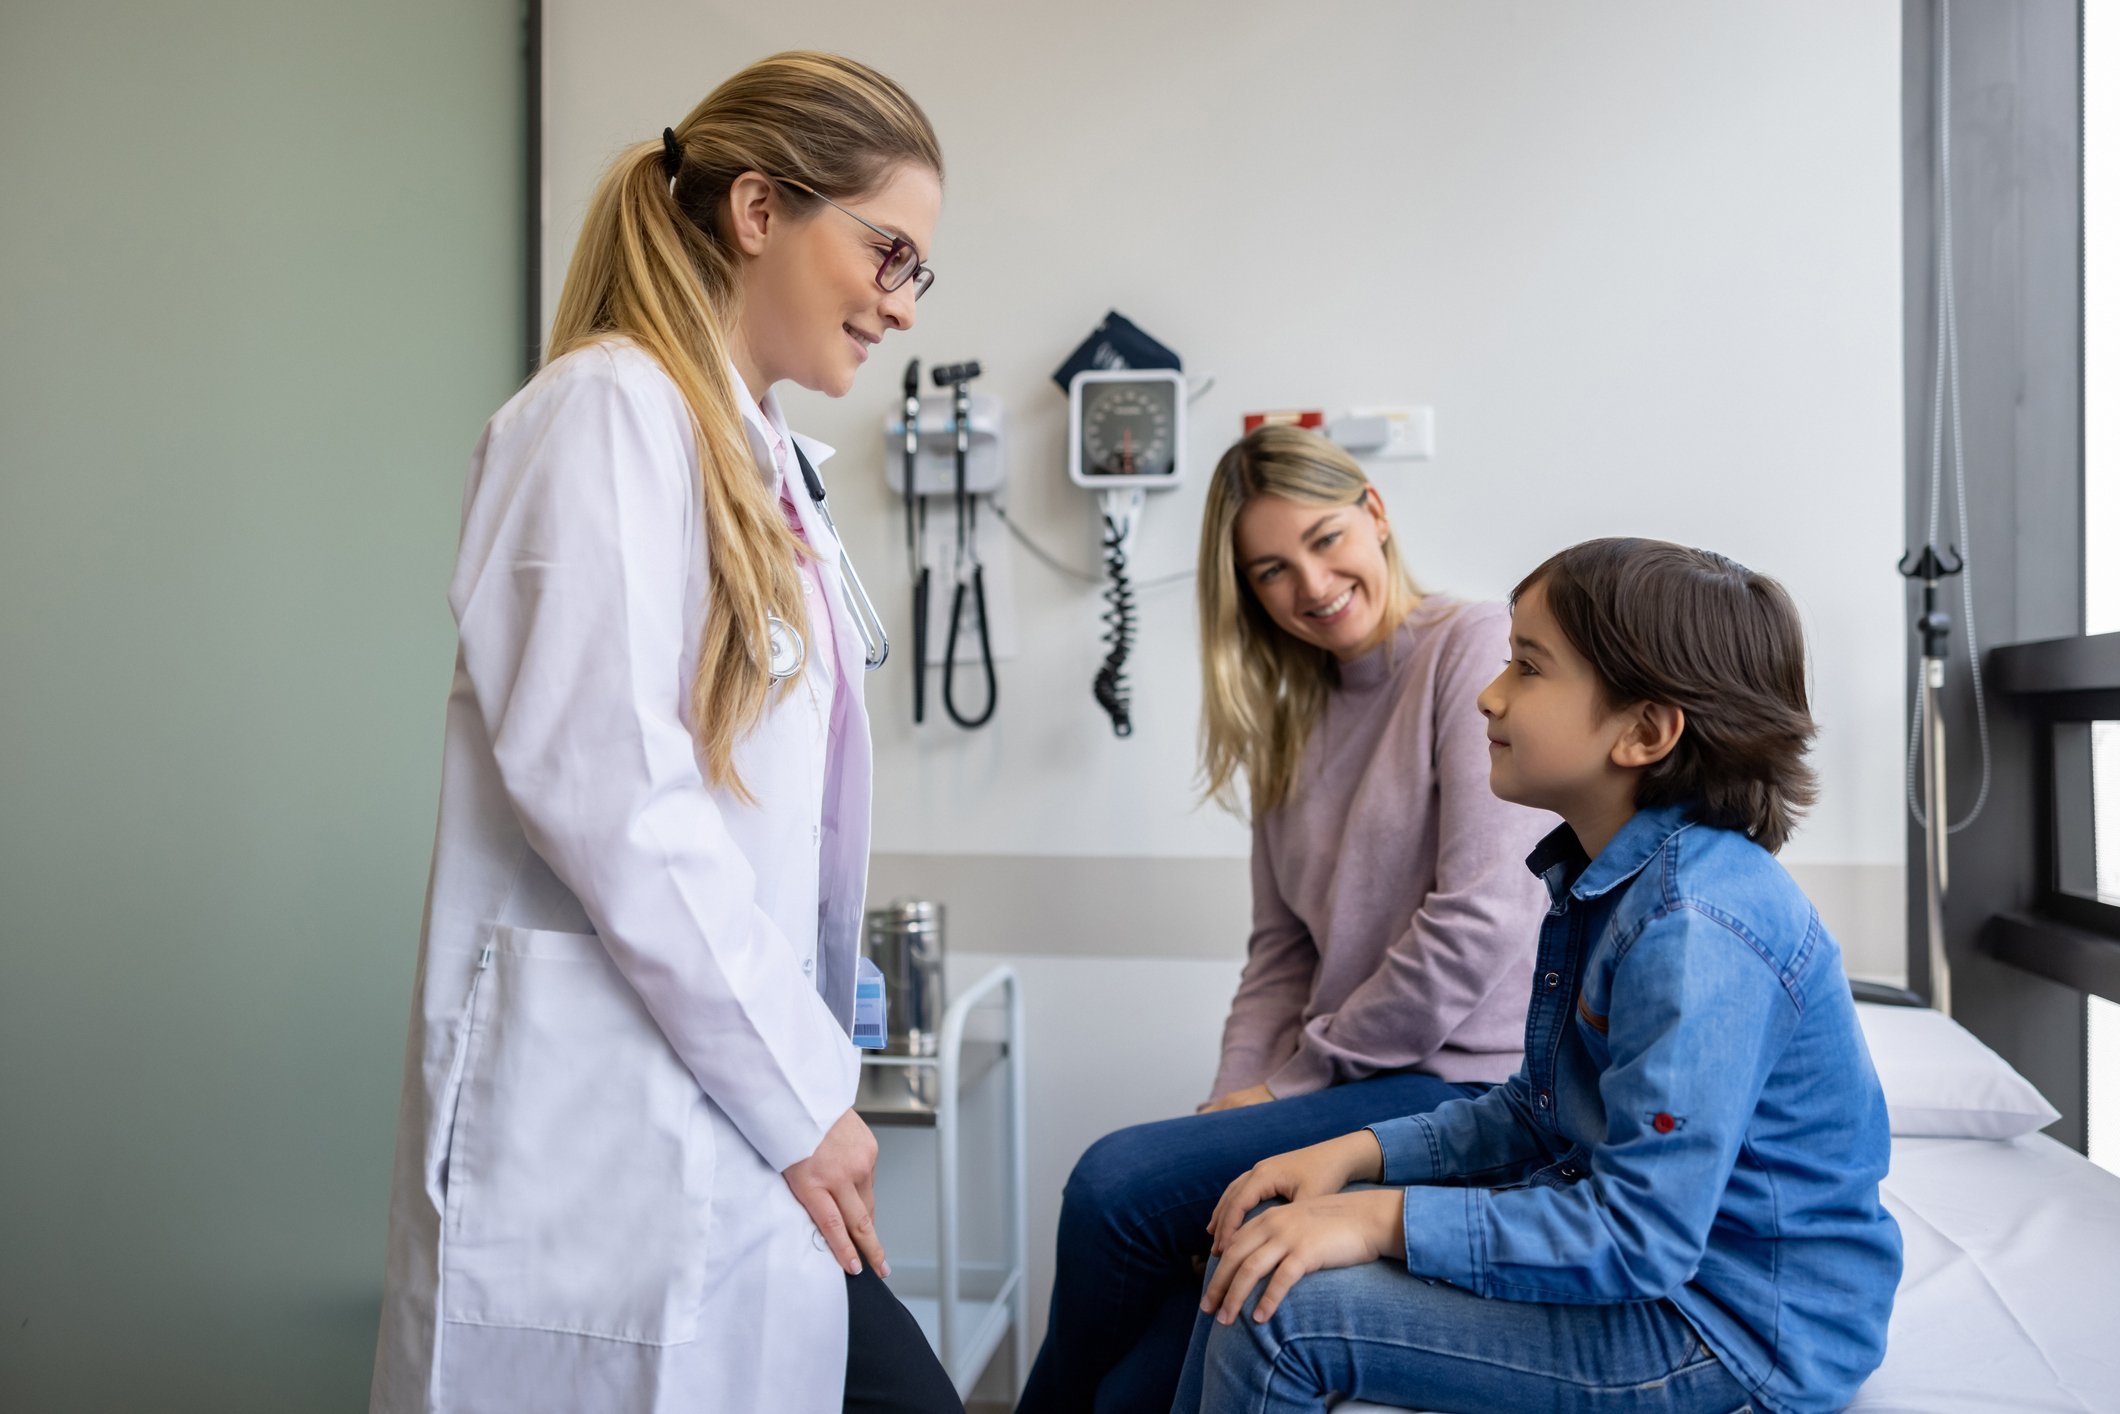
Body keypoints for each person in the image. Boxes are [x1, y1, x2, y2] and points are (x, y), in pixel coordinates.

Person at [369, 52, 961, 1414]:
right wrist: (802, 1092)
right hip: (617, 1128)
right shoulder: (602, 413)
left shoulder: (764, 458)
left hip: (729, 1091)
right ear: (758, 209)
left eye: (919, 272)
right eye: (888, 252)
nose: (900, 303)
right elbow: (612, 793)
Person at [1180, 538, 1903, 1414]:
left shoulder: (1695, 929)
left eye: (1527, 668)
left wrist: (1379, 1217)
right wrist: (1351, 1156)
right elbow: (1538, 1112)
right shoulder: (1611, 880)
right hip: (1669, 1281)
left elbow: (1639, 1237)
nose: (1490, 695)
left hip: (1727, 1331)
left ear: (1645, 731)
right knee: (1262, 1240)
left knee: (1276, 1310)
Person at [1016, 426, 1553, 1413]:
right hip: (1344, 1082)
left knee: (1113, 1183)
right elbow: (1280, 952)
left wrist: (1285, 1087)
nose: (1309, 583)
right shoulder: (1287, 708)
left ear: (1375, 516)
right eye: (1270, 569)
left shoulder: (1467, 647)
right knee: (1141, 1377)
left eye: (1323, 539)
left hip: (1456, 1081)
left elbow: (1477, 919)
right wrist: (1230, 1102)